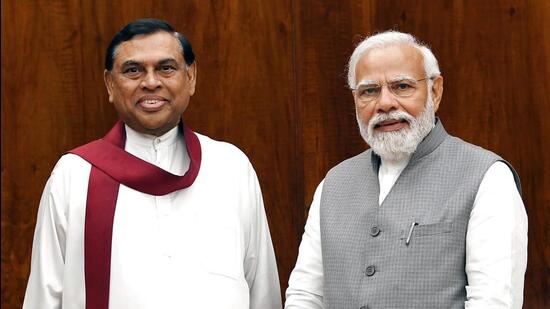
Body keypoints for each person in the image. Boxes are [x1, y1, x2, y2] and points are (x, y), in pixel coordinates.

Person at [23, 18, 281, 309]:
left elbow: (263, 291)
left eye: (166, 68)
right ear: (110, 84)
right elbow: (44, 298)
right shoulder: (74, 175)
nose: (150, 82)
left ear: (191, 77)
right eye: (133, 70)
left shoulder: (231, 167)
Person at [285, 31, 528, 309]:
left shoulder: (488, 178)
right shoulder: (334, 183)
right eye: (369, 91)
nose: (385, 103)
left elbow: (494, 302)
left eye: (401, 86)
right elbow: (306, 297)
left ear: (435, 92)